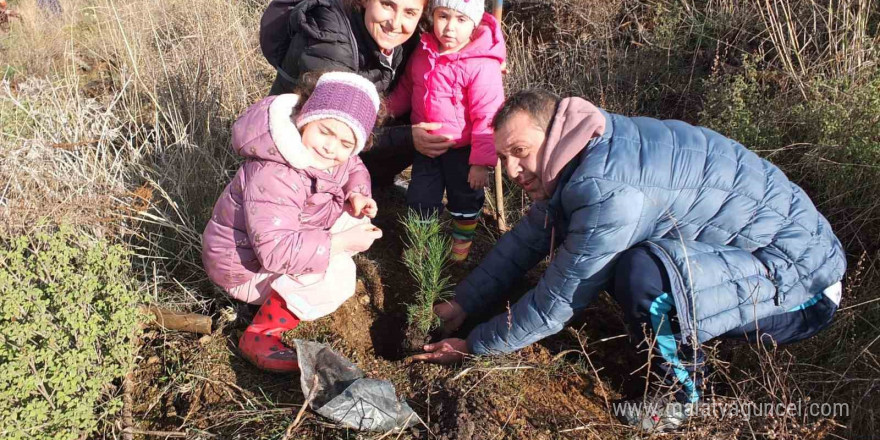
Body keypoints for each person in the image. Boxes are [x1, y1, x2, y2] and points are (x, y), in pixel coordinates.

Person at [413, 89, 847, 431]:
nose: (510, 170)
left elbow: (557, 301)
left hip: (803, 285)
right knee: (638, 266)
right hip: (770, 256)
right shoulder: (585, 153)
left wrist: (476, 345)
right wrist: (463, 303)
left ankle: (681, 399)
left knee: (643, 274)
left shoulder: (608, 189)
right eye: (504, 156)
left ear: (554, 135)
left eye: (520, 151)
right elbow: (526, 241)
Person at [202, 72, 384, 373]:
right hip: (244, 267)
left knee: (350, 220)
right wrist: (339, 244)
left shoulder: (330, 156)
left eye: (345, 143)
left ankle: (295, 285)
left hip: (275, 239)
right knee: (338, 277)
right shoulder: (276, 174)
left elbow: (353, 166)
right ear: (305, 117)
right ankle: (261, 334)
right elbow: (275, 253)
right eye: (325, 131)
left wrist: (357, 195)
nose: (330, 148)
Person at [260, 0, 455, 189]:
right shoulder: (332, 36)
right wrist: (408, 137)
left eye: (410, 12)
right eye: (387, 4)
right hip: (302, 144)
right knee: (406, 133)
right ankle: (330, 195)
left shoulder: (407, 38)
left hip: (341, 131)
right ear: (364, 1)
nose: (395, 23)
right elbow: (337, 125)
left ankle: (374, 184)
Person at [387, 0, 505, 261]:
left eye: (461, 20)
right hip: (427, 146)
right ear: (433, 15)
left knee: (465, 200)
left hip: (464, 151)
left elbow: (488, 116)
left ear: (474, 24)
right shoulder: (424, 51)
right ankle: (421, 248)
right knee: (420, 198)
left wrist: (481, 162)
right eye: (443, 16)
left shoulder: (482, 65)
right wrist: (386, 110)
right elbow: (408, 87)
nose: (450, 27)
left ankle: (460, 247)